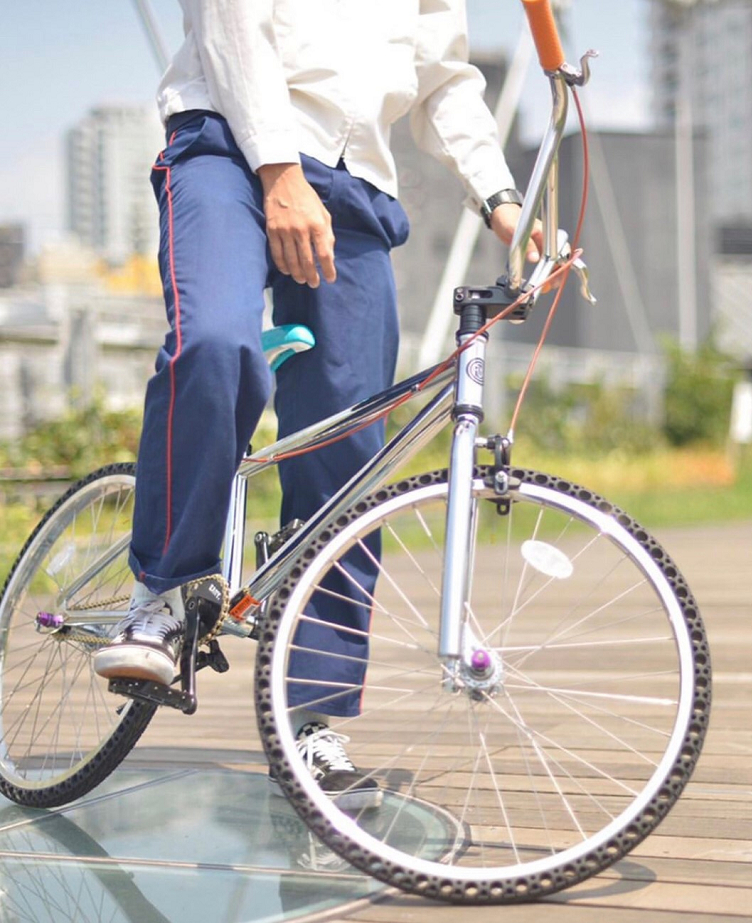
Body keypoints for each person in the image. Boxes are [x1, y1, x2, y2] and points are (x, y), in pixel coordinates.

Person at [93, 0, 541, 808]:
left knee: (346, 441)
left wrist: (502, 200)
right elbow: (230, 22)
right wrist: (278, 172)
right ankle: (160, 593)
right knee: (219, 344)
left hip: (355, 181)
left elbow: (443, 80)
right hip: (228, 144)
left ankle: (311, 717)